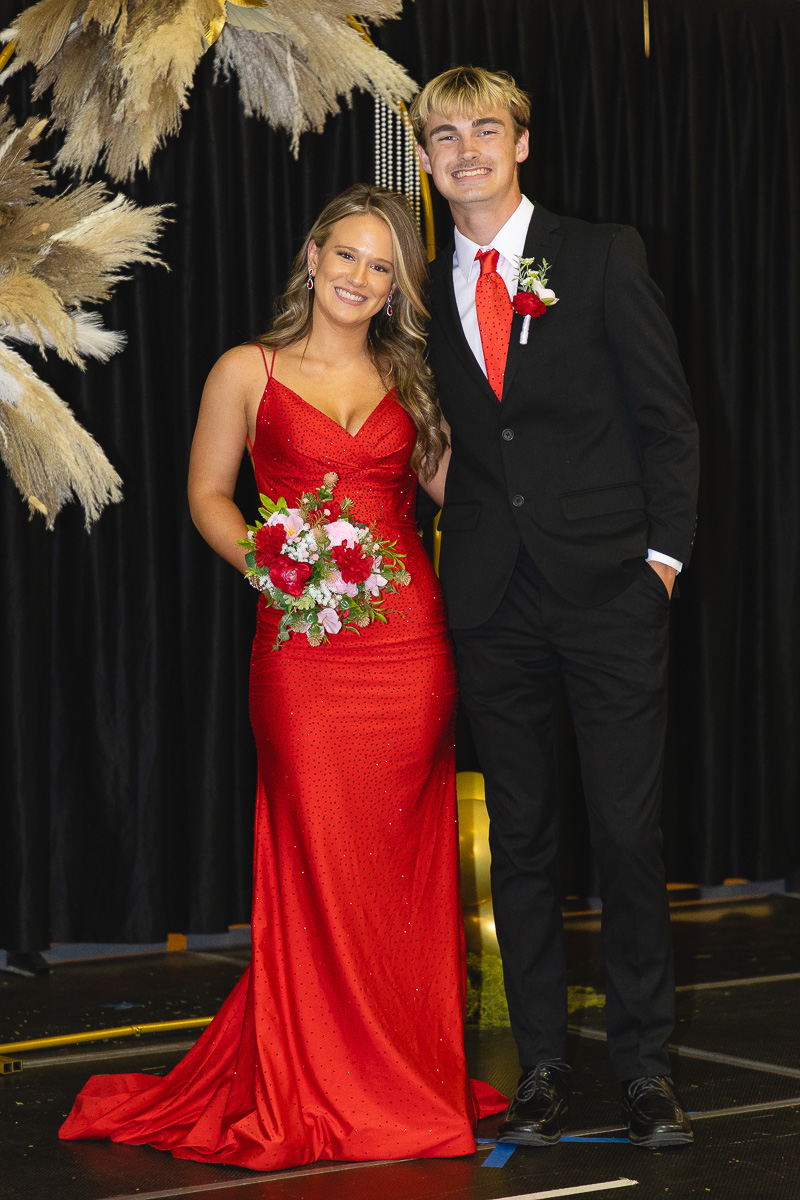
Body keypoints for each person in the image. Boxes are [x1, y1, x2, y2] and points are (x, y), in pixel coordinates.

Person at [58, 183, 506, 1171]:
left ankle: (402, 1075)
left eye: (381, 266)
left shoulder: (414, 377)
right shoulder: (246, 370)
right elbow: (207, 495)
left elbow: (460, 495)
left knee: (399, 868)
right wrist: (273, 564)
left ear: (396, 288)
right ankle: (320, 1077)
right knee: (317, 862)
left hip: (407, 649)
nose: (359, 276)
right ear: (311, 258)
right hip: (302, 649)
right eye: (346, 255)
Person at [409, 67, 700, 1149]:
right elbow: (452, 443)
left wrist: (659, 563)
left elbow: (668, 424)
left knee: (625, 837)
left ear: (521, 142)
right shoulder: (421, 287)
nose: (464, 150)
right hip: (489, 603)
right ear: (428, 158)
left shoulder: (598, 254)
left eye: (484, 129)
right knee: (522, 842)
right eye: (443, 135)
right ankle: (538, 1064)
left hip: (610, 593)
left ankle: (642, 1069)